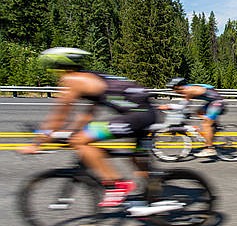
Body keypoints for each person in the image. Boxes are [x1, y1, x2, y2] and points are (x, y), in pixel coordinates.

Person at [20, 47, 160, 207]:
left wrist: (37, 143)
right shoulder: (90, 77)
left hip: (137, 115)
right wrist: (74, 131)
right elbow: (87, 115)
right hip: (146, 112)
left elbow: (59, 116)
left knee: (80, 141)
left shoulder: (72, 80)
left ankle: (117, 185)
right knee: (136, 158)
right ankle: (154, 198)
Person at [163, 77, 225, 157]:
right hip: (212, 102)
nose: (174, 91)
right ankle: (213, 127)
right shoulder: (189, 87)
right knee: (198, 112)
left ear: (178, 86)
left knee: (206, 124)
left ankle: (210, 149)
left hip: (217, 102)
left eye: (174, 88)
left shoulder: (188, 90)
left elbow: (183, 106)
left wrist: (168, 106)